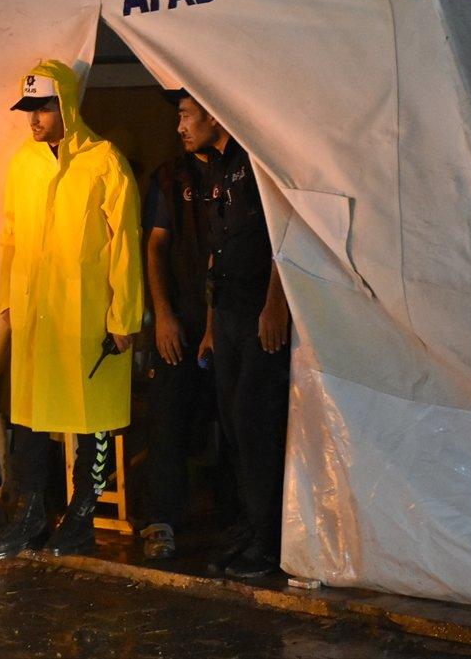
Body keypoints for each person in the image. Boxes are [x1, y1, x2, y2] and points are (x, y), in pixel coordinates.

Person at [0, 60, 143, 560]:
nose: (34, 119)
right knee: (29, 417)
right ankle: (31, 514)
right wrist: (8, 298)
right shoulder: (23, 164)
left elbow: (125, 242)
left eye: (44, 108)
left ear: (67, 106)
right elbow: (10, 236)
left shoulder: (103, 162)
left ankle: (81, 516)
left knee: (92, 419)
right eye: (28, 109)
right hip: (38, 315)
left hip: (90, 315)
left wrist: (124, 317)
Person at [190, 93, 292, 579]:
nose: (180, 127)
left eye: (186, 115)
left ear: (213, 114)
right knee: (232, 424)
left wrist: (276, 303)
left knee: (256, 424)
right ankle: (251, 529)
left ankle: (270, 541)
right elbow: (216, 254)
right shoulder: (215, 169)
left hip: (257, 312)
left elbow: (282, 236)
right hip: (228, 313)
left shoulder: (255, 159)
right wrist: (210, 327)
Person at [138, 89, 225, 561]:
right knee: (167, 416)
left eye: (187, 116)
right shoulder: (171, 176)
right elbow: (155, 245)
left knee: (231, 421)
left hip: (227, 317)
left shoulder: (239, 170)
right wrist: (163, 315)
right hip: (181, 316)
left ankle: (236, 525)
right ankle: (162, 520)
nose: (180, 127)